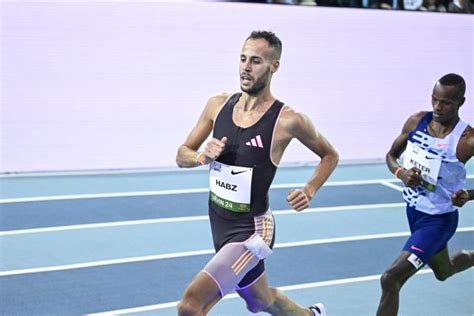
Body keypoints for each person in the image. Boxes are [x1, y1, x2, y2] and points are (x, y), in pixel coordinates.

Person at [175, 30, 339, 315]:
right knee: (259, 300)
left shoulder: (288, 120)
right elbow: (182, 154)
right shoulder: (218, 104)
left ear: (274, 66)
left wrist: (309, 189)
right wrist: (201, 156)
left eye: (256, 61)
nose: (245, 67)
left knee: (190, 306)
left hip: (252, 231)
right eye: (242, 59)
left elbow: (329, 155)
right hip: (219, 222)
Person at [377, 73, 474, 316]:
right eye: (435, 100)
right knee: (444, 271)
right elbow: (391, 156)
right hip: (414, 214)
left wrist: (468, 195)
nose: (438, 107)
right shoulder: (416, 122)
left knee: (390, 279)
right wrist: (401, 173)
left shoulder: (467, 139)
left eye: (446, 103)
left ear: (461, 102)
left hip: (439, 221)